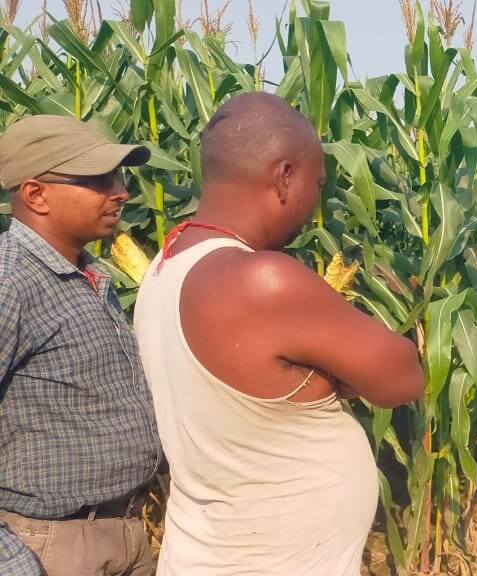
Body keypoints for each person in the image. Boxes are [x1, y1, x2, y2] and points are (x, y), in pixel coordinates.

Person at [133, 93, 425, 575]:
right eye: (318, 183)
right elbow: (403, 375)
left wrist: (328, 371)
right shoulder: (259, 280)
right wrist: (336, 373)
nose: (316, 202)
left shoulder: (165, 267)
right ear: (284, 176)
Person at [0, 115, 162, 575]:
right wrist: (11, 561)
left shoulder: (91, 276)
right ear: (36, 194)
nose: (121, 192)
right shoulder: (10, 280)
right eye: (98, 179)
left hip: (126, 534)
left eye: (118, 177)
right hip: (48, 548)